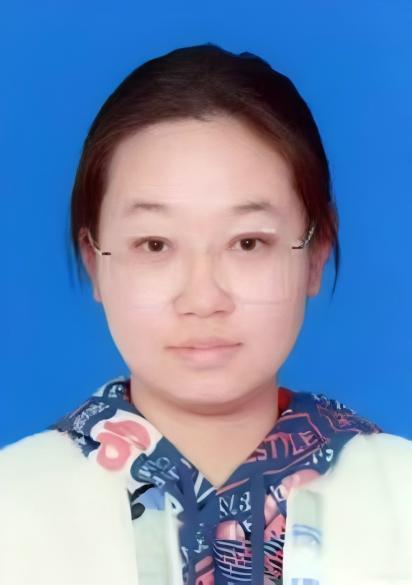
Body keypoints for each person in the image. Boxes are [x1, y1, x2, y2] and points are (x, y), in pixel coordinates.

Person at [1, 43, 412, 585]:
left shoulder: (400, 496)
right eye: (154, 244)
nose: (202, 298)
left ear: (316, 254)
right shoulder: (13, 506)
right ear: (95, 261)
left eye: (247, 243)